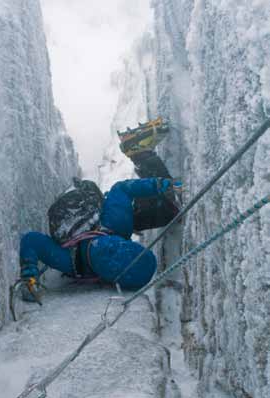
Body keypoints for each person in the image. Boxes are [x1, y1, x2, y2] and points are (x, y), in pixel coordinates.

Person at [19, 118, 182, 294]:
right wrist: (161, 185)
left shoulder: (72, 262)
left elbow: (31, 240)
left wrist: (29, 277)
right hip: (105, 223)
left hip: (102, 223)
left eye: (113, 253)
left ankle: (140, 152)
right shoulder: (114, 227)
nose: (110, 249)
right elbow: (121, 190)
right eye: (118, 248)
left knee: (163, 211)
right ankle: (141, 152)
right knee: (166, 211)